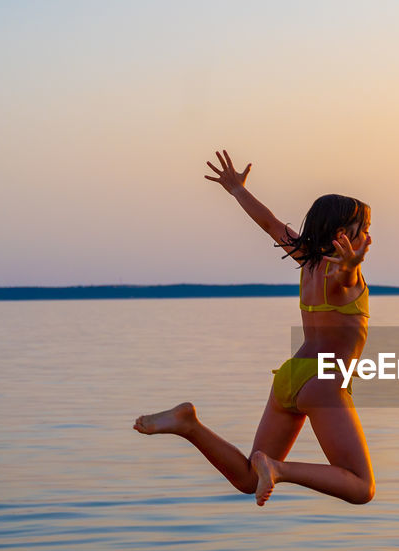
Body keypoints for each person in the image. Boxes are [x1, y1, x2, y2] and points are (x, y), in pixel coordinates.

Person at [133, 150, 375, 506]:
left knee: (248, 479)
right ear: (342, 234)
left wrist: (237, 191)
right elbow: (345, 276)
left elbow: (270, 223)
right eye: (363, 230)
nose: (368, 237)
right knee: (361, 488)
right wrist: (352, 266)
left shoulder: (306, 261)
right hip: (323, 382)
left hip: (291, 376)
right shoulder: (343, 276)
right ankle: (279, 469)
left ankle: (189, 424)